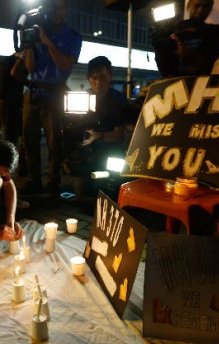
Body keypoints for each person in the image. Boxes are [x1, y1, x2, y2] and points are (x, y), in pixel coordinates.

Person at [21, 0, 82, 197]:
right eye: (53, 6)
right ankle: (33, 181)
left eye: (61, 6)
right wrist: (29, 45)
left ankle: (53, 184)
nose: (57, 11)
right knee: (29, 141)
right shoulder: (37, 33)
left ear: (66, 9)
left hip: (54, 94)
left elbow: (64, 64)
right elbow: (30, 68)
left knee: (54, 143)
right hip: (33, 92)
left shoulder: (73, 37)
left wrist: (47, 42)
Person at [66, 56, 132, 197]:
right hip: (88, 152)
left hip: (111, 151)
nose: (98, 82)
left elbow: (120, 135)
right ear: (88, 78)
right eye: (94, 78)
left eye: (103, 77)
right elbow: (71, 130)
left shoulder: (119, 100)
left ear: (110, 76)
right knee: (82, 190)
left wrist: (98, 136)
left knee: (114, 189)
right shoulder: (81, 98)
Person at [152, 0, 219, 77]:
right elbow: (161, 55)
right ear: (188, 6)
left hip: (200, 81)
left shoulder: (215, 31)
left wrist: (187, 52)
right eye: (197, 6)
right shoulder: (172, 29)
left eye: (206, 6)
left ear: (210, 9)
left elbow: (209, 58)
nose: (200, 10)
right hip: (172, 80)